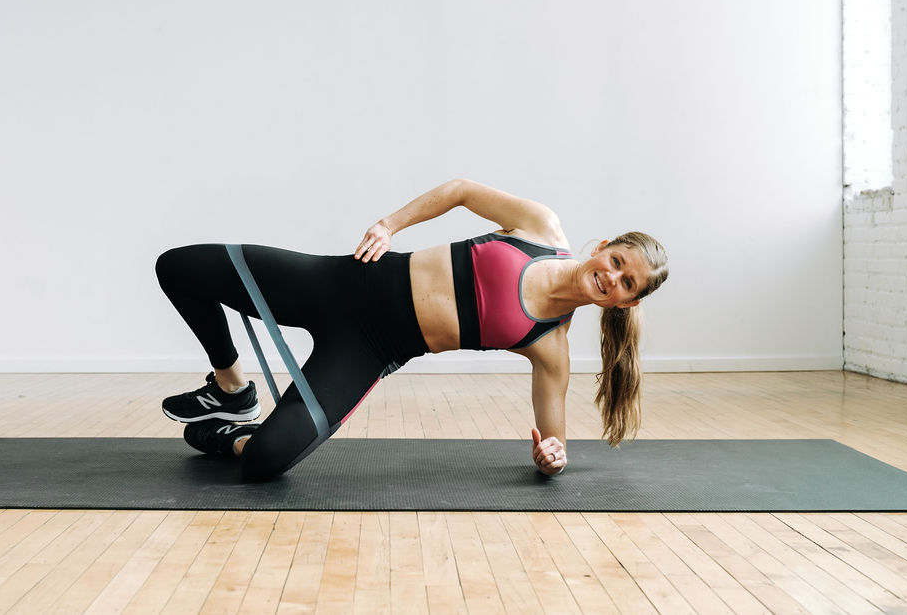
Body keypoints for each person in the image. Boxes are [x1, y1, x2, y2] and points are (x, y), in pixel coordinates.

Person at [155, 178, 668, 480]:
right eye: (618, 260)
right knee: (178, 266)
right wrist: (388, 225)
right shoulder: (540, 228)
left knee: (264, 463)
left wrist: (550, 459)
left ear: (626, 305)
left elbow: (553, 445)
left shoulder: (551, 347)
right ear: (603, 245)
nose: (613, 277)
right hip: (342, 281)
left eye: (628, 284)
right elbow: (462, 190)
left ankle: (237, 436)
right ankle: (231, 388)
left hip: (369, 349)